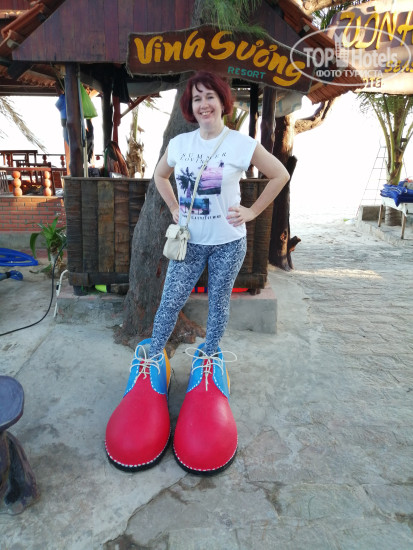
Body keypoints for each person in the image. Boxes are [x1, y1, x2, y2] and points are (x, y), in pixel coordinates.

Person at [105, 71, 290, 475]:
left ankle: (208, 364)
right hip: (189, 242)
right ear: (190, 107)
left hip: (228, 243)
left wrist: (253, 212)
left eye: (210, 97)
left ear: (223, 102)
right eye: (196, 99)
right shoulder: (180, 144)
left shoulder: (241, 144)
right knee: (169, 303)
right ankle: (154, 363)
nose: (203, 104)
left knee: (219, 304)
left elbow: (280, 174)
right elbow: (160, 176)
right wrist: (173, 207)